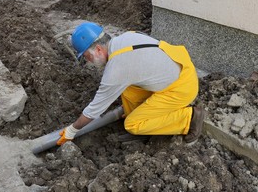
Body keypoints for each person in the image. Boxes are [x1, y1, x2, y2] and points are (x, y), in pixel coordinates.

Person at [57, 22, 206, 146]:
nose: (89, 62)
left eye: (87, 57)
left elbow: (94, 110)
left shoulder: (117, 69)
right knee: (128, 88)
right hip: (182, 69)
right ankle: (144, 126)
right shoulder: (126, 37)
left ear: (98, 49)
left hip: (180, 89)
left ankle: (190, 118)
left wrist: (72, 130)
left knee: (132, 124)